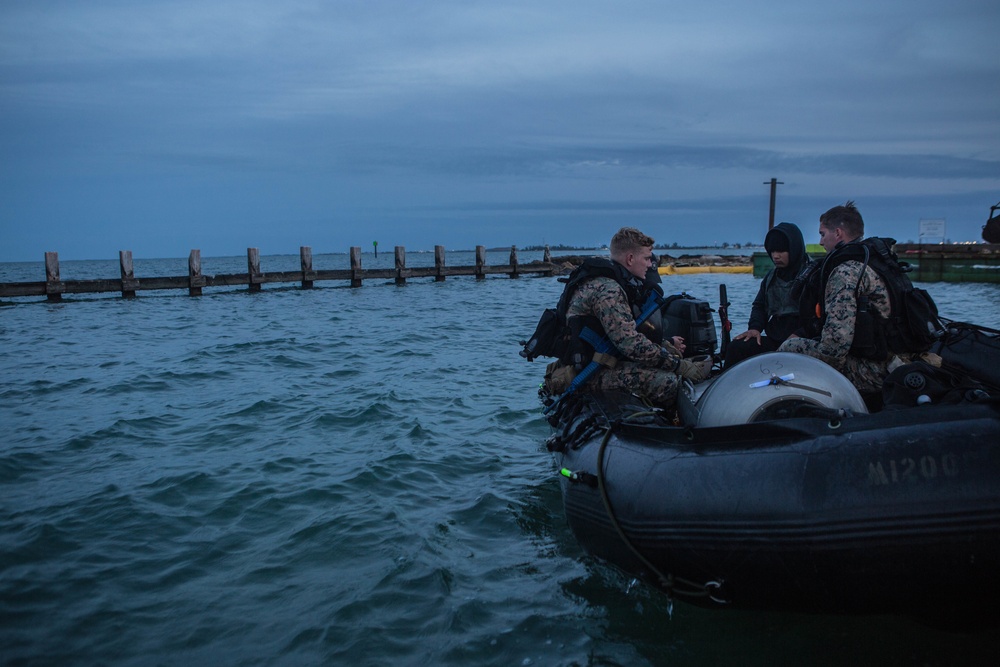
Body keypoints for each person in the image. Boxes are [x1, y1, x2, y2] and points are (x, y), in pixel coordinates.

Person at [543, 227, 711, 407]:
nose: (650, 264)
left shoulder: (612, 283)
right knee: (668, 382)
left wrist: (666, 346)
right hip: (588, 374)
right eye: (646, 258)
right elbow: (630, 344)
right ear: (630, 259)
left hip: (598, 363)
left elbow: (625, 334)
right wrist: (679, 366)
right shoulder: (608, 290)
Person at [778, 201, 900, 397]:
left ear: (838, 233)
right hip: (896, 359)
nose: (820, 242)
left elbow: (833, 352)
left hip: (875, 371)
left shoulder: (845, 272)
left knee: (789, 348)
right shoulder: (879, 262)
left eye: (822, 234)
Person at [724, 222, 807, 368]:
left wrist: (801, 333)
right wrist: (755, 328)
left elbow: (818, 318)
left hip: (803, 340)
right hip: (775, 338)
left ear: (793, 249)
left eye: (781, 251)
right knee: (736, 348)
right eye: (772, 251)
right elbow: (759, 306)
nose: (775, 256)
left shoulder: (811, 275)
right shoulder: (771, 278)